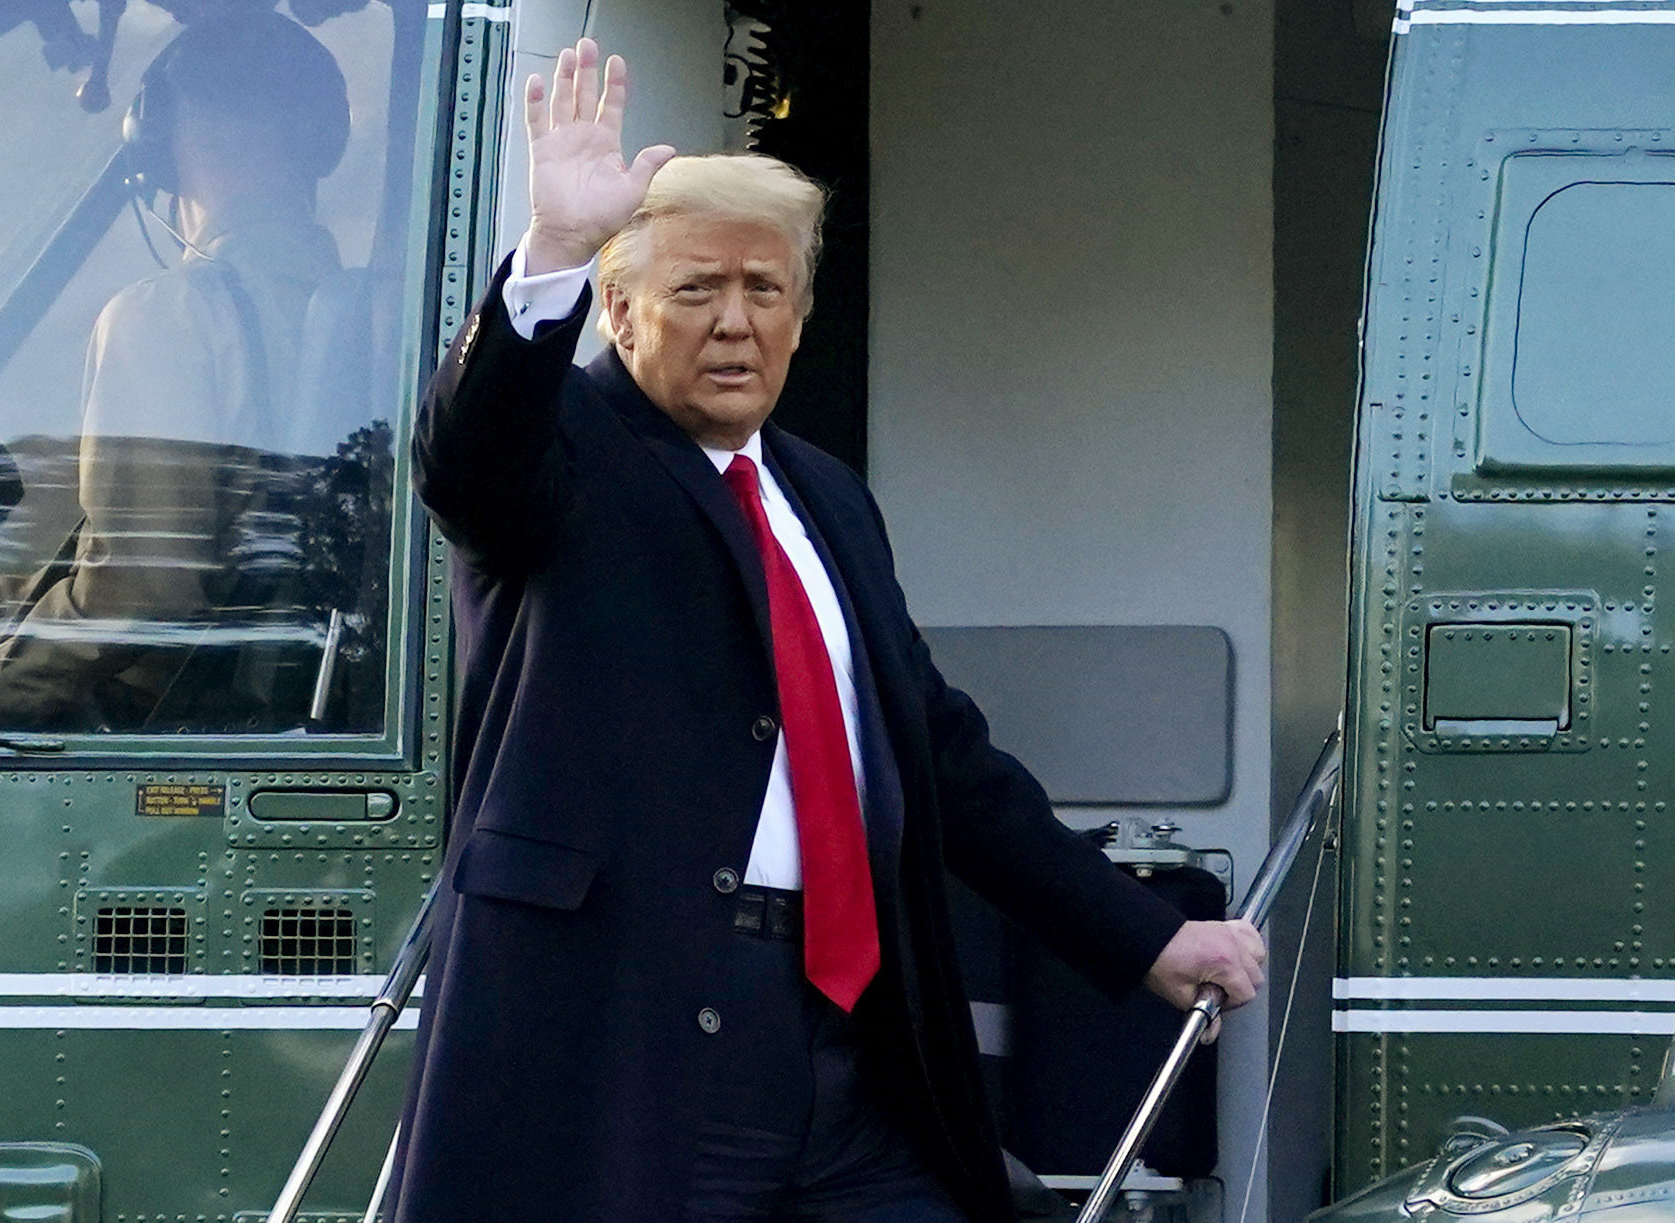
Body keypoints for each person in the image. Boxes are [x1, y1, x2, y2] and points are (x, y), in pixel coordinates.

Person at [397, 38, 1268, 1223]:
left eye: (764, 291)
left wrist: (1147, 939)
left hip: (844, 1040)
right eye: (696, 289)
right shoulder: (567, 451)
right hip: (633, 1033)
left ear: (802, 320)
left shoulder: (827, 495)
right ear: (620, 307)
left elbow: (943, 757)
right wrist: (550, 250)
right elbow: (468, 460)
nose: (734, 322)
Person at [0, 11, 350, 731]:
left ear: (159, 141)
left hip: (152, 718)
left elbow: (144, 584)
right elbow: (110, 572)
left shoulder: (169, 314)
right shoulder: (358, 315)